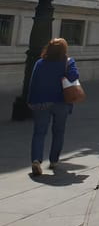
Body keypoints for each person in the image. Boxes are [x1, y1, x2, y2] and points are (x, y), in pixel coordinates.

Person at [27, 38, 77, 175]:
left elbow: (33, 82)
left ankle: (36, 160)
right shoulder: (68, 62)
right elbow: (74, 77)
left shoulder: (40, 63)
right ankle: (54, 160)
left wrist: (30, 101)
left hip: (41, 102)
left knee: (39, 133)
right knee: (58, 132)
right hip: (61, 102)